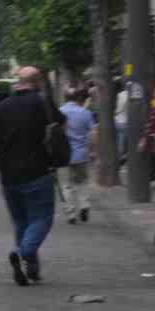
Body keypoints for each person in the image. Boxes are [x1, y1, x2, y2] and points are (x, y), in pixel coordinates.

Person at [0, 66, 65, 286]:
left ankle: (31, 270)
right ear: (37, 82)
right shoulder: (42, 102)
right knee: (42, 218)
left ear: (19, 81)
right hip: (38, 172)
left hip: (9, 176)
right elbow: (61, 125)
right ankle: (22, 252)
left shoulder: (0, 107)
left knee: (21, 222)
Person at [60, 86, 96, 224]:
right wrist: (93, 150)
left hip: (64, 155)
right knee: (82, 181)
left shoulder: (60, 112)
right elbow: (93, 133)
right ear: (78, 98)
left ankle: (71, 214)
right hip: (81, 153)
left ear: (65, 98)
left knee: (66, 185)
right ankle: (84, 205)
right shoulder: (85, 113)